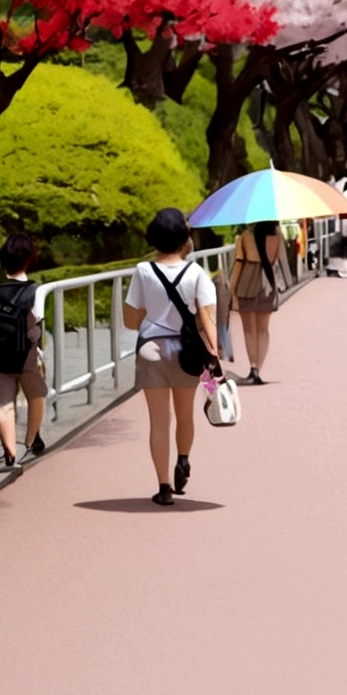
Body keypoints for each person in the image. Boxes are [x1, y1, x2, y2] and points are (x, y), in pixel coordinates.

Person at [122, 208, 221, 507]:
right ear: (184, 239)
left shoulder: (142, 271)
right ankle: (183, 460)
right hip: (186, 351)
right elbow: (208, 317)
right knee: (185, 414)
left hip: (151, 350)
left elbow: (130, 319)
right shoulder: (196, 273)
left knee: (158, 421)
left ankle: (163, 486)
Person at [0, 232, 49, 468]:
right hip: (24, 358)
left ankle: (9, 452)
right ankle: (29, 443)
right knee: (37, 395)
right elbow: (36, 326)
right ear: (29, 259)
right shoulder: (35, 291)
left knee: (3, 404)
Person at [229, 220, 291, 384]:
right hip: (267, 283)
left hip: (246, 283)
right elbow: (281, 261)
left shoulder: (246, 236)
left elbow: (238, 264)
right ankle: (258, 371)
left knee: (249, 330)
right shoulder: (277, 237)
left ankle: (253, 368)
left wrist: (232, 291)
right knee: (263, 329)